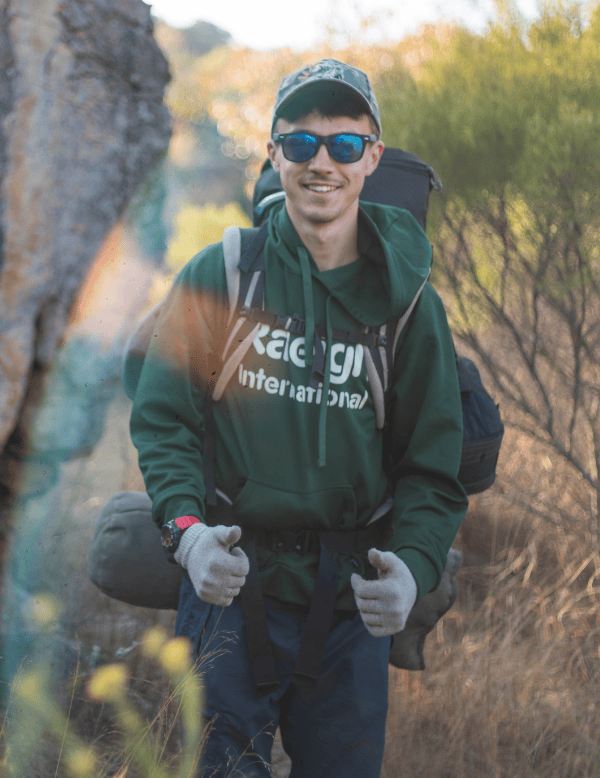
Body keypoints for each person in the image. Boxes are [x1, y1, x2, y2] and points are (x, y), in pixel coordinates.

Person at [130, 58, 468, 777]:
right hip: (229, 585)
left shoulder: (410, 305)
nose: (323, 163)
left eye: (345, 145)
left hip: (350, 606)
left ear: (372, 157)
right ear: (273, 153)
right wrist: (189, 539)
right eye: (301, 143)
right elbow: (165, 424)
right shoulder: (222, 274)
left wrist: (409, 570)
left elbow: (432, 467)